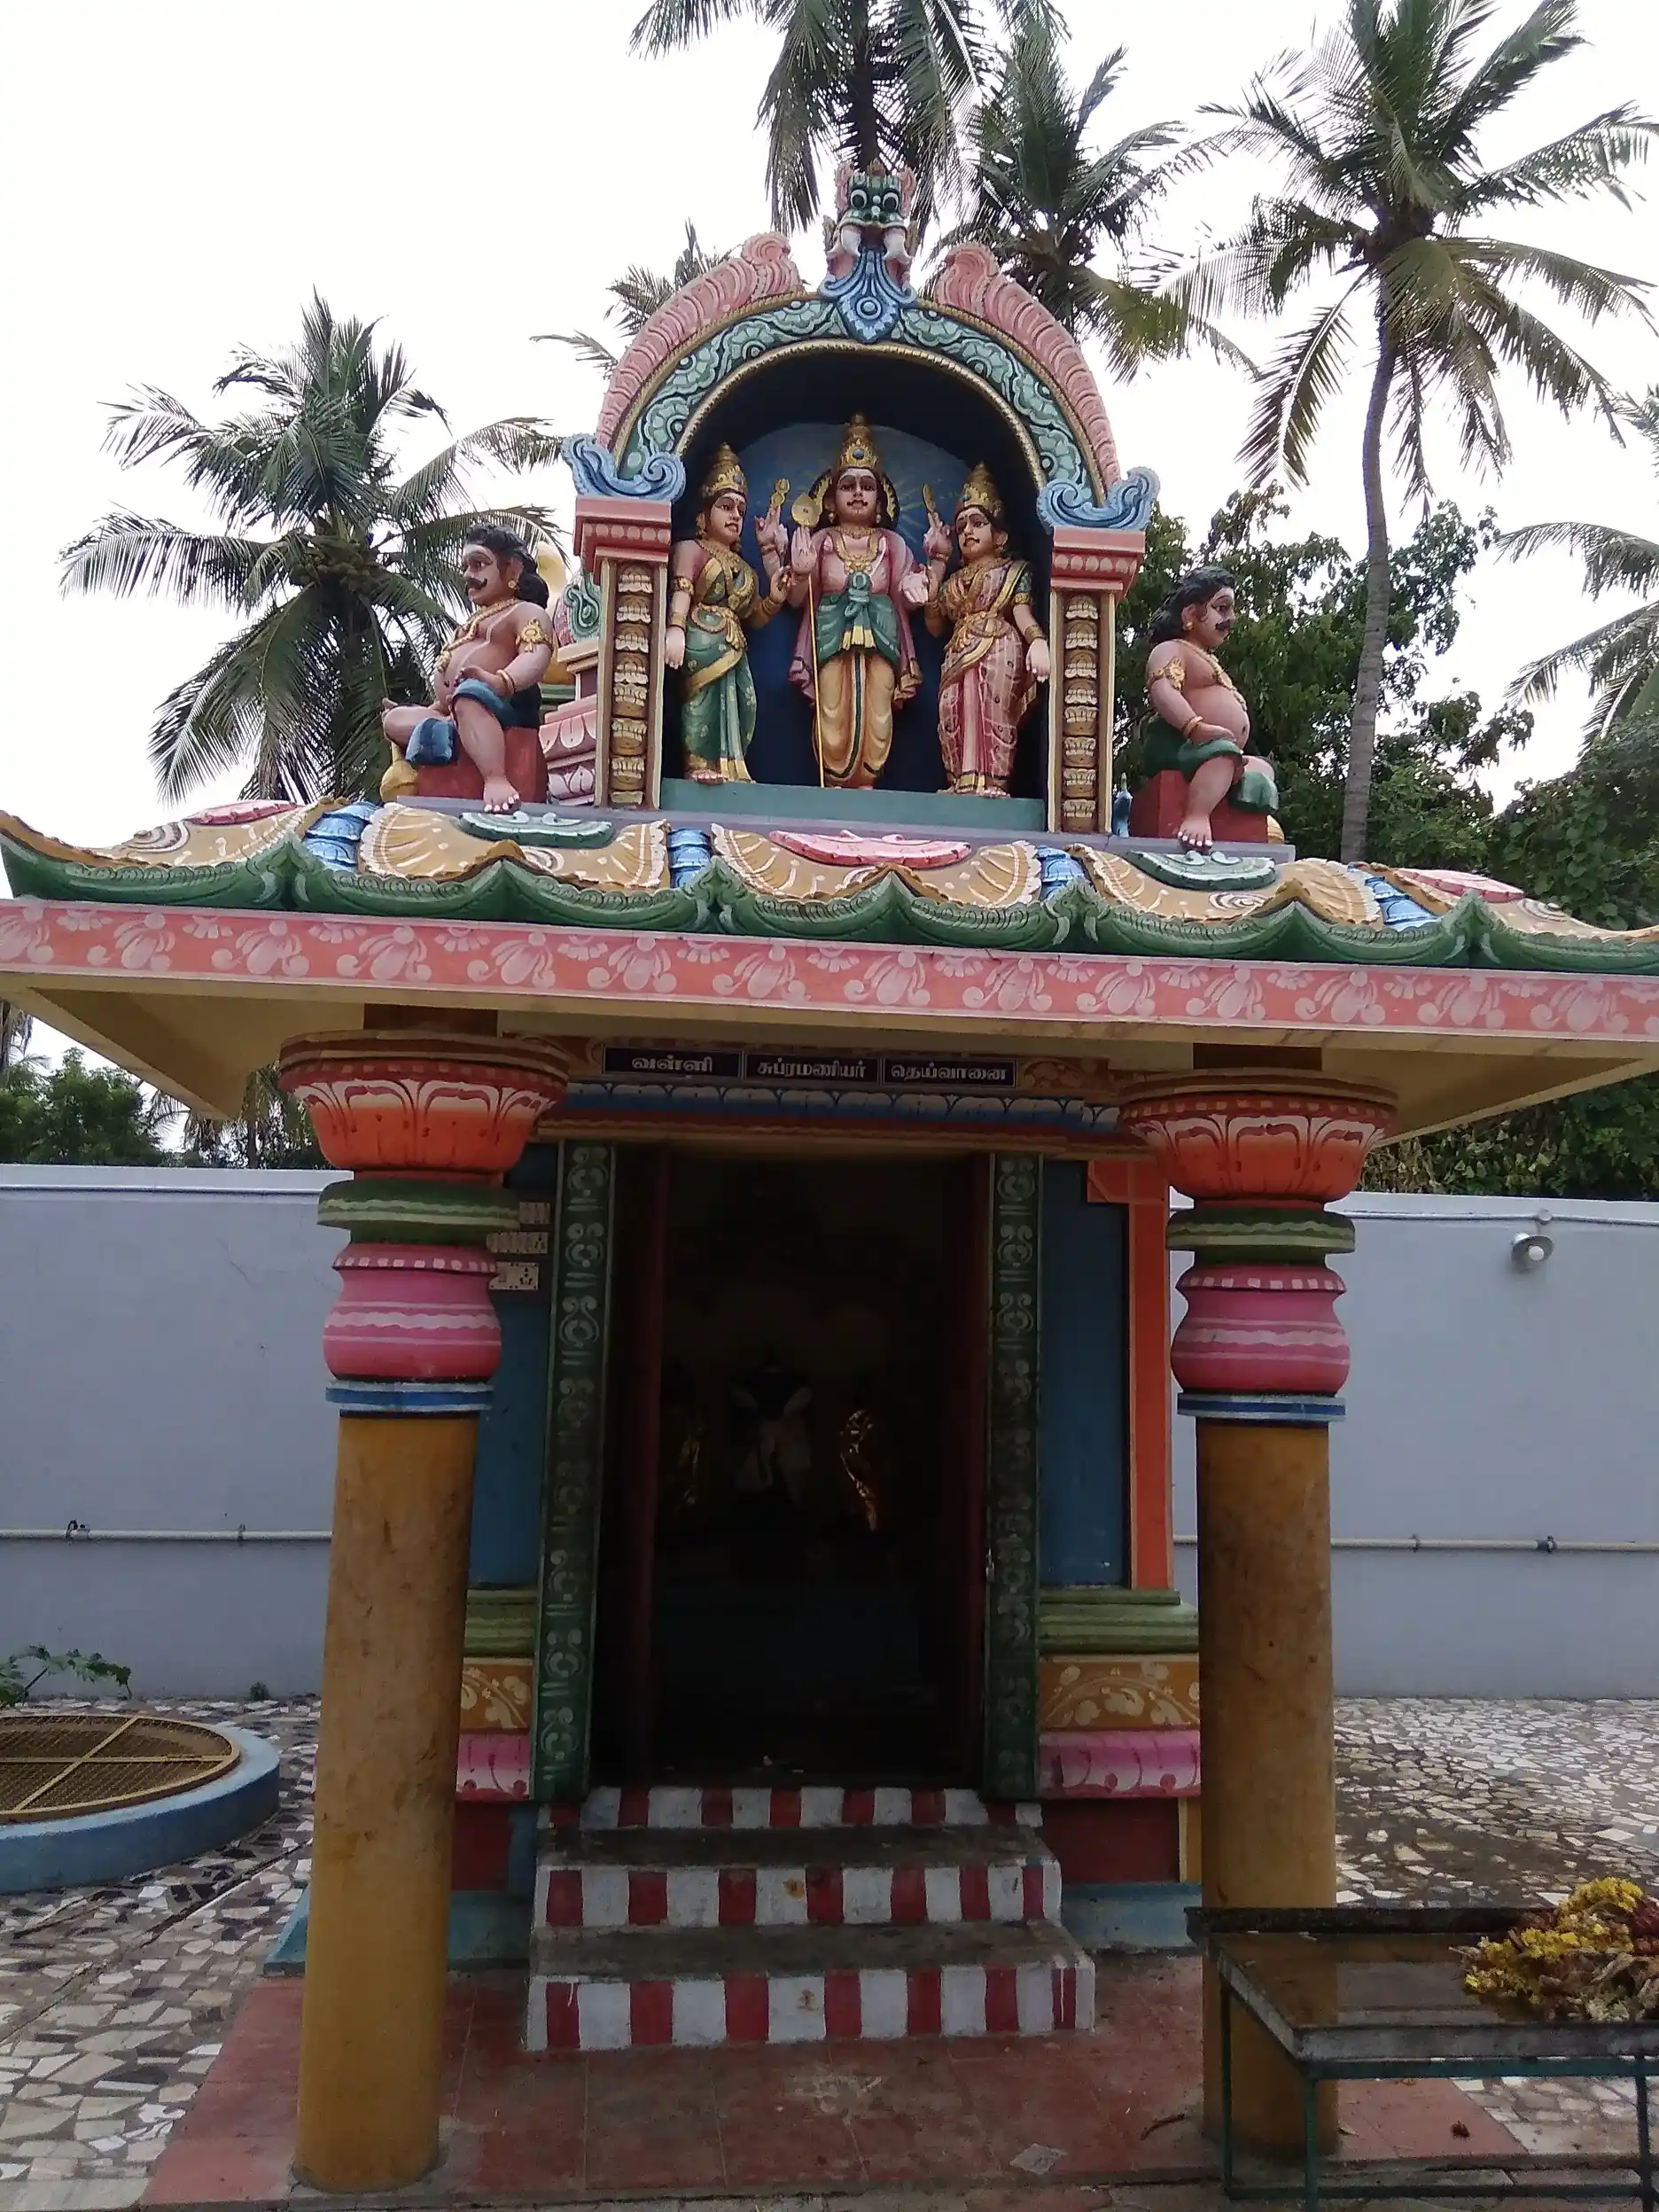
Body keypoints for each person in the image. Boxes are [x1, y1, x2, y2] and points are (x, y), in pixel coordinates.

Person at [762, 416, 927, 789]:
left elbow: (911, 599)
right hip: (832, 636)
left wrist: (923, 580)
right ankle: (835, 784)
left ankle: (867, 782)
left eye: (867, 486)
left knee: (879, 712)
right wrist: (800, 571)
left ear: (880, 499)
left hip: (882, 640)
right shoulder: (821, 542)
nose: (857, 493)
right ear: (831, 499)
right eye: (848, 485)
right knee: (832, 709)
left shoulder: (893, 544)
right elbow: (796, 601)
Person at [380, 526, 554, 813]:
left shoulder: (524, 612)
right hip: (455, 711)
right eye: (465, 567)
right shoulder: (471, 624)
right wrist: (435, 707)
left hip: (499, 705)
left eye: (478, 564)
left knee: (470, 696)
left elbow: (535, 656)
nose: (468, 575)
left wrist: (500, 682)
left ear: (512, 568)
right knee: (394, 720)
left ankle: (495, 780)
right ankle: (454, 728)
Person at [920, 463, 1051, 797]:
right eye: (962, 525)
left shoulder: (1014, 571)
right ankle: (960, 781)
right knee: (955, 707)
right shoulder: (954, 582)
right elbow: (935, 626)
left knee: (989, 708)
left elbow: (1020, 612)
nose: (968, 532)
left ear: (1001, 536)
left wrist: (1037, 642)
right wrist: (931, 585)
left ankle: (993, 782)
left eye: (978, 523)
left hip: (998, 646)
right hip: (959, 650)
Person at [664, 447, 788, 783]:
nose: (735, 516)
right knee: (702, 703)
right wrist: (675, 629)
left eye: (741, 510)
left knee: (743, 704)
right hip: (699, 642)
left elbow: (756, 617)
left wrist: (774, 598)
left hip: (735, 646)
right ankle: (697, 764)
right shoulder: (691, 550)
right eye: (726, 506)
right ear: (704, 515)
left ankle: (732, 767)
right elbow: (682, 591)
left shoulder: (744, 567)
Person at [1142, 566, 1277, 851]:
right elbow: (1163, 689)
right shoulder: (1172, 650)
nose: (1229, 619)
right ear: (1191, 614)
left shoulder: (1206, 658)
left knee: (1261, 767)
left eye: (1231, 610)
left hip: (1210, 749)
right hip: (1178, 743)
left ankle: (1233, 800)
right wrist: (1194, 727)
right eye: (1221, 608)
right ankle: (1196, 816)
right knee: (1224, 753)